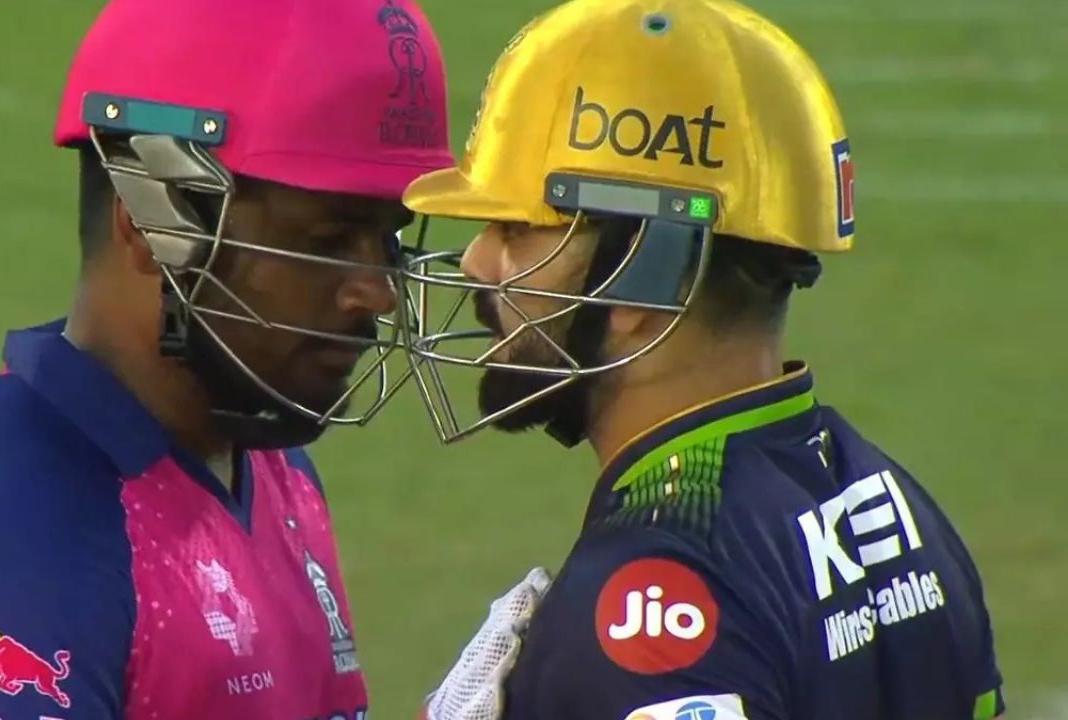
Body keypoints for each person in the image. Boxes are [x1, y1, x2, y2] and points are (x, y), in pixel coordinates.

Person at [0, 0, 453, 717]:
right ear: (149, 223)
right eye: (326, 240)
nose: (378, 292)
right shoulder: (10, 541)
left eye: (388, 237)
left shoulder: (271, 469)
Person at [402, 0, 1006, 718]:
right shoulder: (896, 506)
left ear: (641, 279)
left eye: (517, 229)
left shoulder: (646, 608)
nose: (478, 262)